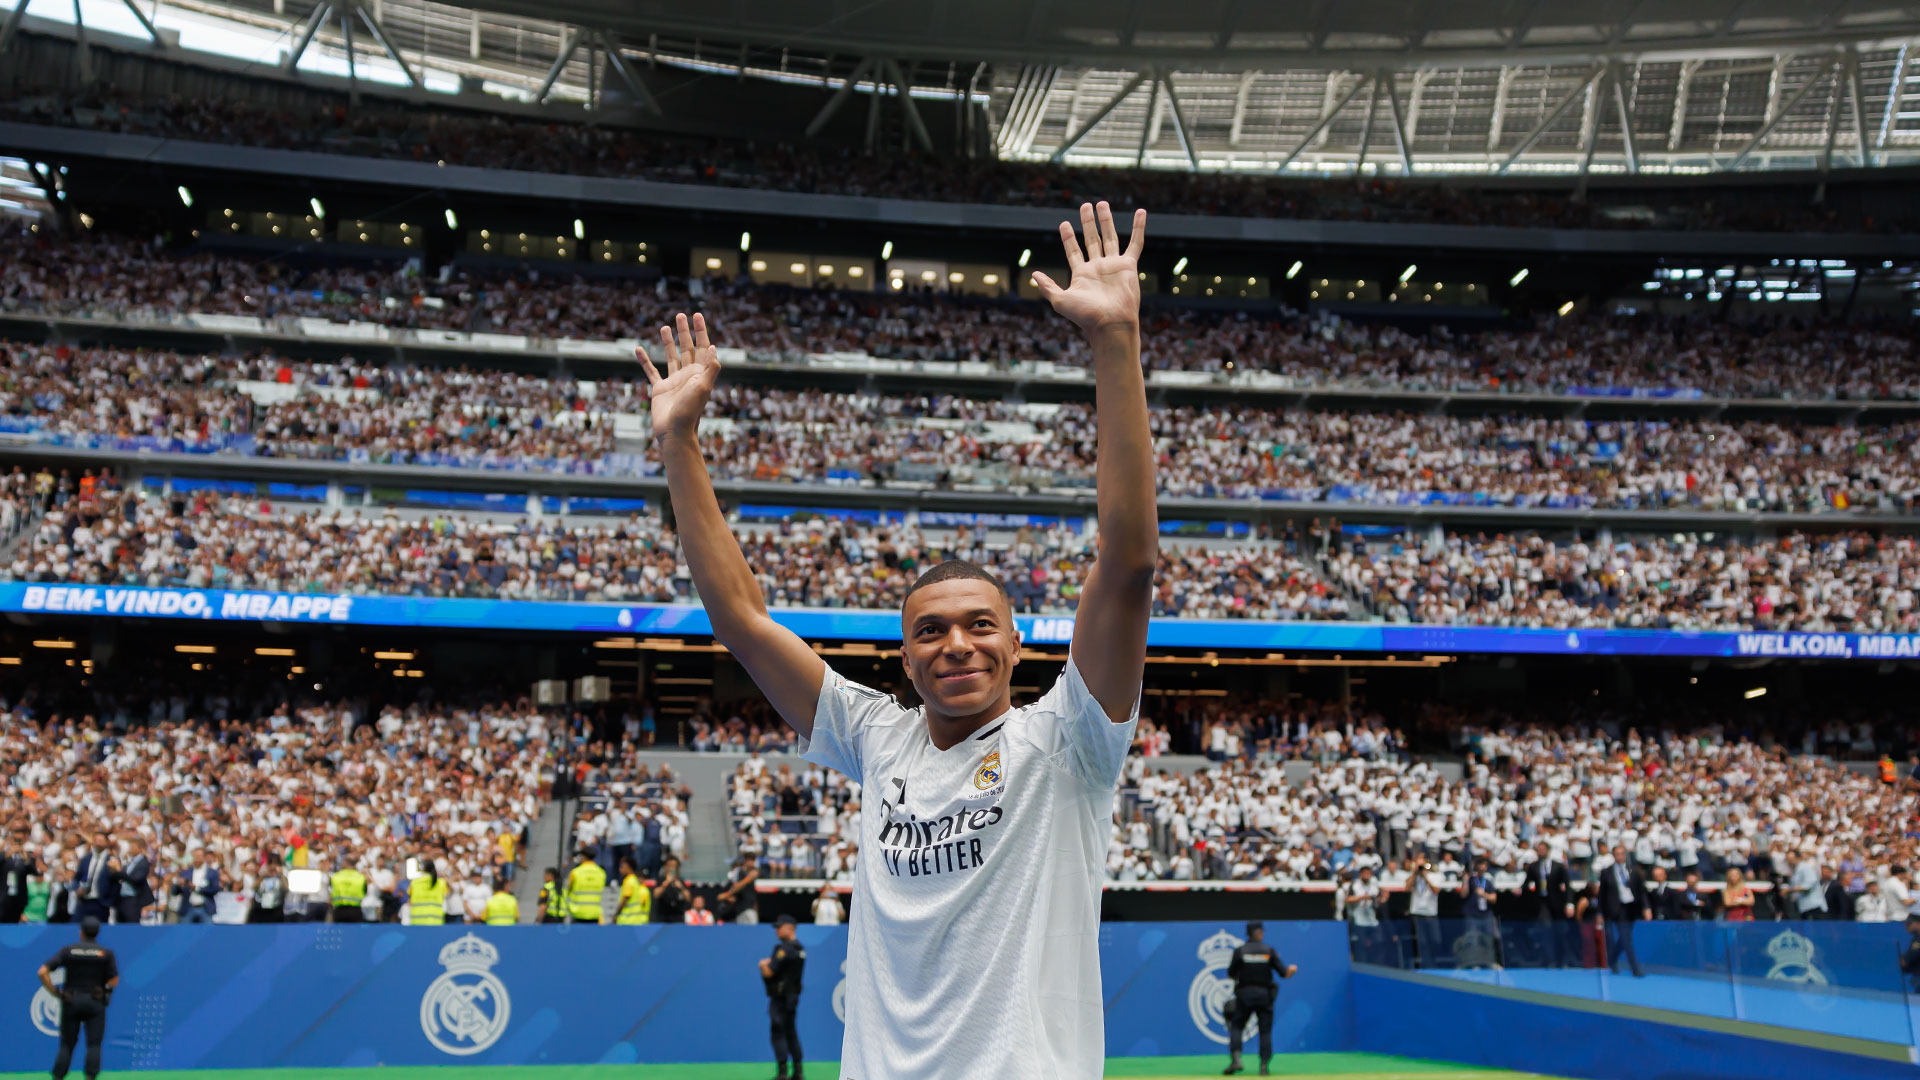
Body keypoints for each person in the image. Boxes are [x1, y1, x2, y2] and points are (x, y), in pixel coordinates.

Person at [639, 201, 1155, 1079]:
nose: (957, 644)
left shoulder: (1068, 740)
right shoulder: (877, 737)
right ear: (905, 660)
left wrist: (1114, 340)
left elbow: (1129, 562)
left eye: (980, 625)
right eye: (931, 631)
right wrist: (680, 440)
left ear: (1018, 646)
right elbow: (743, 622)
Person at [39, 916, 118, 1080]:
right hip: (95, 1001)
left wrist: (54, 992)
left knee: (66, 1044)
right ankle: (90, 1076)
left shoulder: (68, 951)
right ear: (97, 933)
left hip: (71, 1000)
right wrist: (105, 990)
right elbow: (114, 979)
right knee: (94, 1043)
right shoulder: (105, 954)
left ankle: (58, 1076)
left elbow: (43, 972)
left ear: (81, 932)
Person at [1222, 921, 1296, 1076]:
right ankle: (1264, 1067)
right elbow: (1284, 973)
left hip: (1245, 995)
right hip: (1264, 996)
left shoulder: (1240, 951)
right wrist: (1292, 970)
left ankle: (1236, 1060)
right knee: (1265, 1031)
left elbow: (1231, 973)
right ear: (1260, 933)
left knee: (1236, 1026)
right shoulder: (1269, 951)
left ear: (1248, 934)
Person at [760, 913, 807, 1080]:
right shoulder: (800, 948)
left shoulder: (784, 949)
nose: (776, 930)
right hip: (792, 997)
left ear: (789, 928)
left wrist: (762, 964)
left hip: (780, 998)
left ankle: (782, 1073)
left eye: (779, 927)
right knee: (791, 1032)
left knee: (778, 1032)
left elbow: (769, 971)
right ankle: (798, 1071)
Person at [1598, 846, 1650, 977]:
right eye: (1617, 854)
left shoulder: (1634, 871)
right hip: (1617, 908)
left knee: (1624, 938)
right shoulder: (1606, 872)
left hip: (1631, 907)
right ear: (1613, 855)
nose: (1620, 856)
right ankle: (1635, 969)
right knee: (1626, 939)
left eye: (1622, 854)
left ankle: (1612, 958)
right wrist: (1600, 913)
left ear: (1625, 855)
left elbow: (1642, 891)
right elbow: (1602, 894)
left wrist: (1646, 907)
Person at [1524, 840, 1573, 967]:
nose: (1541, 852)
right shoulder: (1533, 867)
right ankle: (1550, 959)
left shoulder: (1558, 866)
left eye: (1543, 849)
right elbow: (1527, 883)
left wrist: (1569, 903)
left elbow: (1567, 885)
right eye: (1539, 850)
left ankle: (1563, 960)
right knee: (1545, 929)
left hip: (1557, 903)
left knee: (1560, 931)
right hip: (1542, 902)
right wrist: (1526, 888)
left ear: (1548, 850)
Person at [112, 838, 153, 927]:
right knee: (120, 924)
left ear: (140, 848)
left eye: (132, 847)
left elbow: (136, 879)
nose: (130, 849)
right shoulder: (130, 862)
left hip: (133, 899)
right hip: (122, 898)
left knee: (131, 924)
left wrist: (119, 870)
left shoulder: (143, 863)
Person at [567, 848, 607, 924]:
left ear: (584, 857)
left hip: (577, 913)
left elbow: (568, 890)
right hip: (595, 913)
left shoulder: (575, 872)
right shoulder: (601, 873)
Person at [408, 861, 448, 926]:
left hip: (417, 922)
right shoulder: (441, 883)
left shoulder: (414, 883)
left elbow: (409, 898)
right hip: (435, 922)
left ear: (423, 869)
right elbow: (446, 896)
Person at [615, 857, 651, 925]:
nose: (620, 870)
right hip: (635, 920)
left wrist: (615, 915)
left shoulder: (629, 881)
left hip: (627, 920)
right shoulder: (634, 880)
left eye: (622, 867)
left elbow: (624, 900)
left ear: (628, 867)